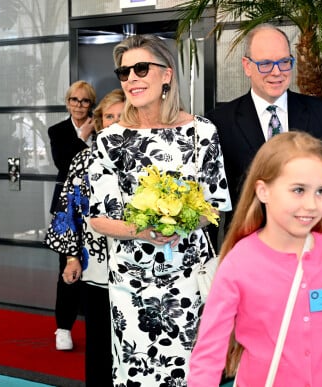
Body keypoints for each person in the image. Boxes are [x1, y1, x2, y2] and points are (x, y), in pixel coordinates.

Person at [87, 34, 232, 386]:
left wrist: (178, 221)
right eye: (124, 73)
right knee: (137, 375)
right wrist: (144, 229)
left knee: (193, 373)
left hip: (189, 279)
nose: (131, 79)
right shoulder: (110, 139)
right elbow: (97, 217)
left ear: (167, 74)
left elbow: (215, 202)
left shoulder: (201, 132)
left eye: (140, 68)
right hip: (131, 284)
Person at [188, 131, 322, 386]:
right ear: (263, 191)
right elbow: (209, 356)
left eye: (321, 191)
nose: (311, 204)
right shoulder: (238, 263)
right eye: (298, 190)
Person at [205, 23, 322, 267]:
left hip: (313, 251)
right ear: (247, 66)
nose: (277, 72)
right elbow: (215, 201)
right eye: (265, 64)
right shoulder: (220, 122)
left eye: (284, 62)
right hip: (250, 257)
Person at [45, 89, 125, 386]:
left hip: (139, 271)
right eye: (109, 116)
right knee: (100, 343)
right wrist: (70, 256)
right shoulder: (84, 160)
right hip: (97, 268)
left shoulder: (148, 157)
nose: (115, 122)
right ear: (100, 122)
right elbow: (68, 212)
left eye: (122, 116)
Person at [48, 80, 97, 351]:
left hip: (98, 209)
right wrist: (81, 139)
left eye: (85, 101)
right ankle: (63, 328)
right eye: (74, 100)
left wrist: (92, 134)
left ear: (91, 104)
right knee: (67, 268)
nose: (79, 106)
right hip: (67, 210)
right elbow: (62, 163)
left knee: (98, 269)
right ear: (67, 102)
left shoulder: (103, 127)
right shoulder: (58, 130)